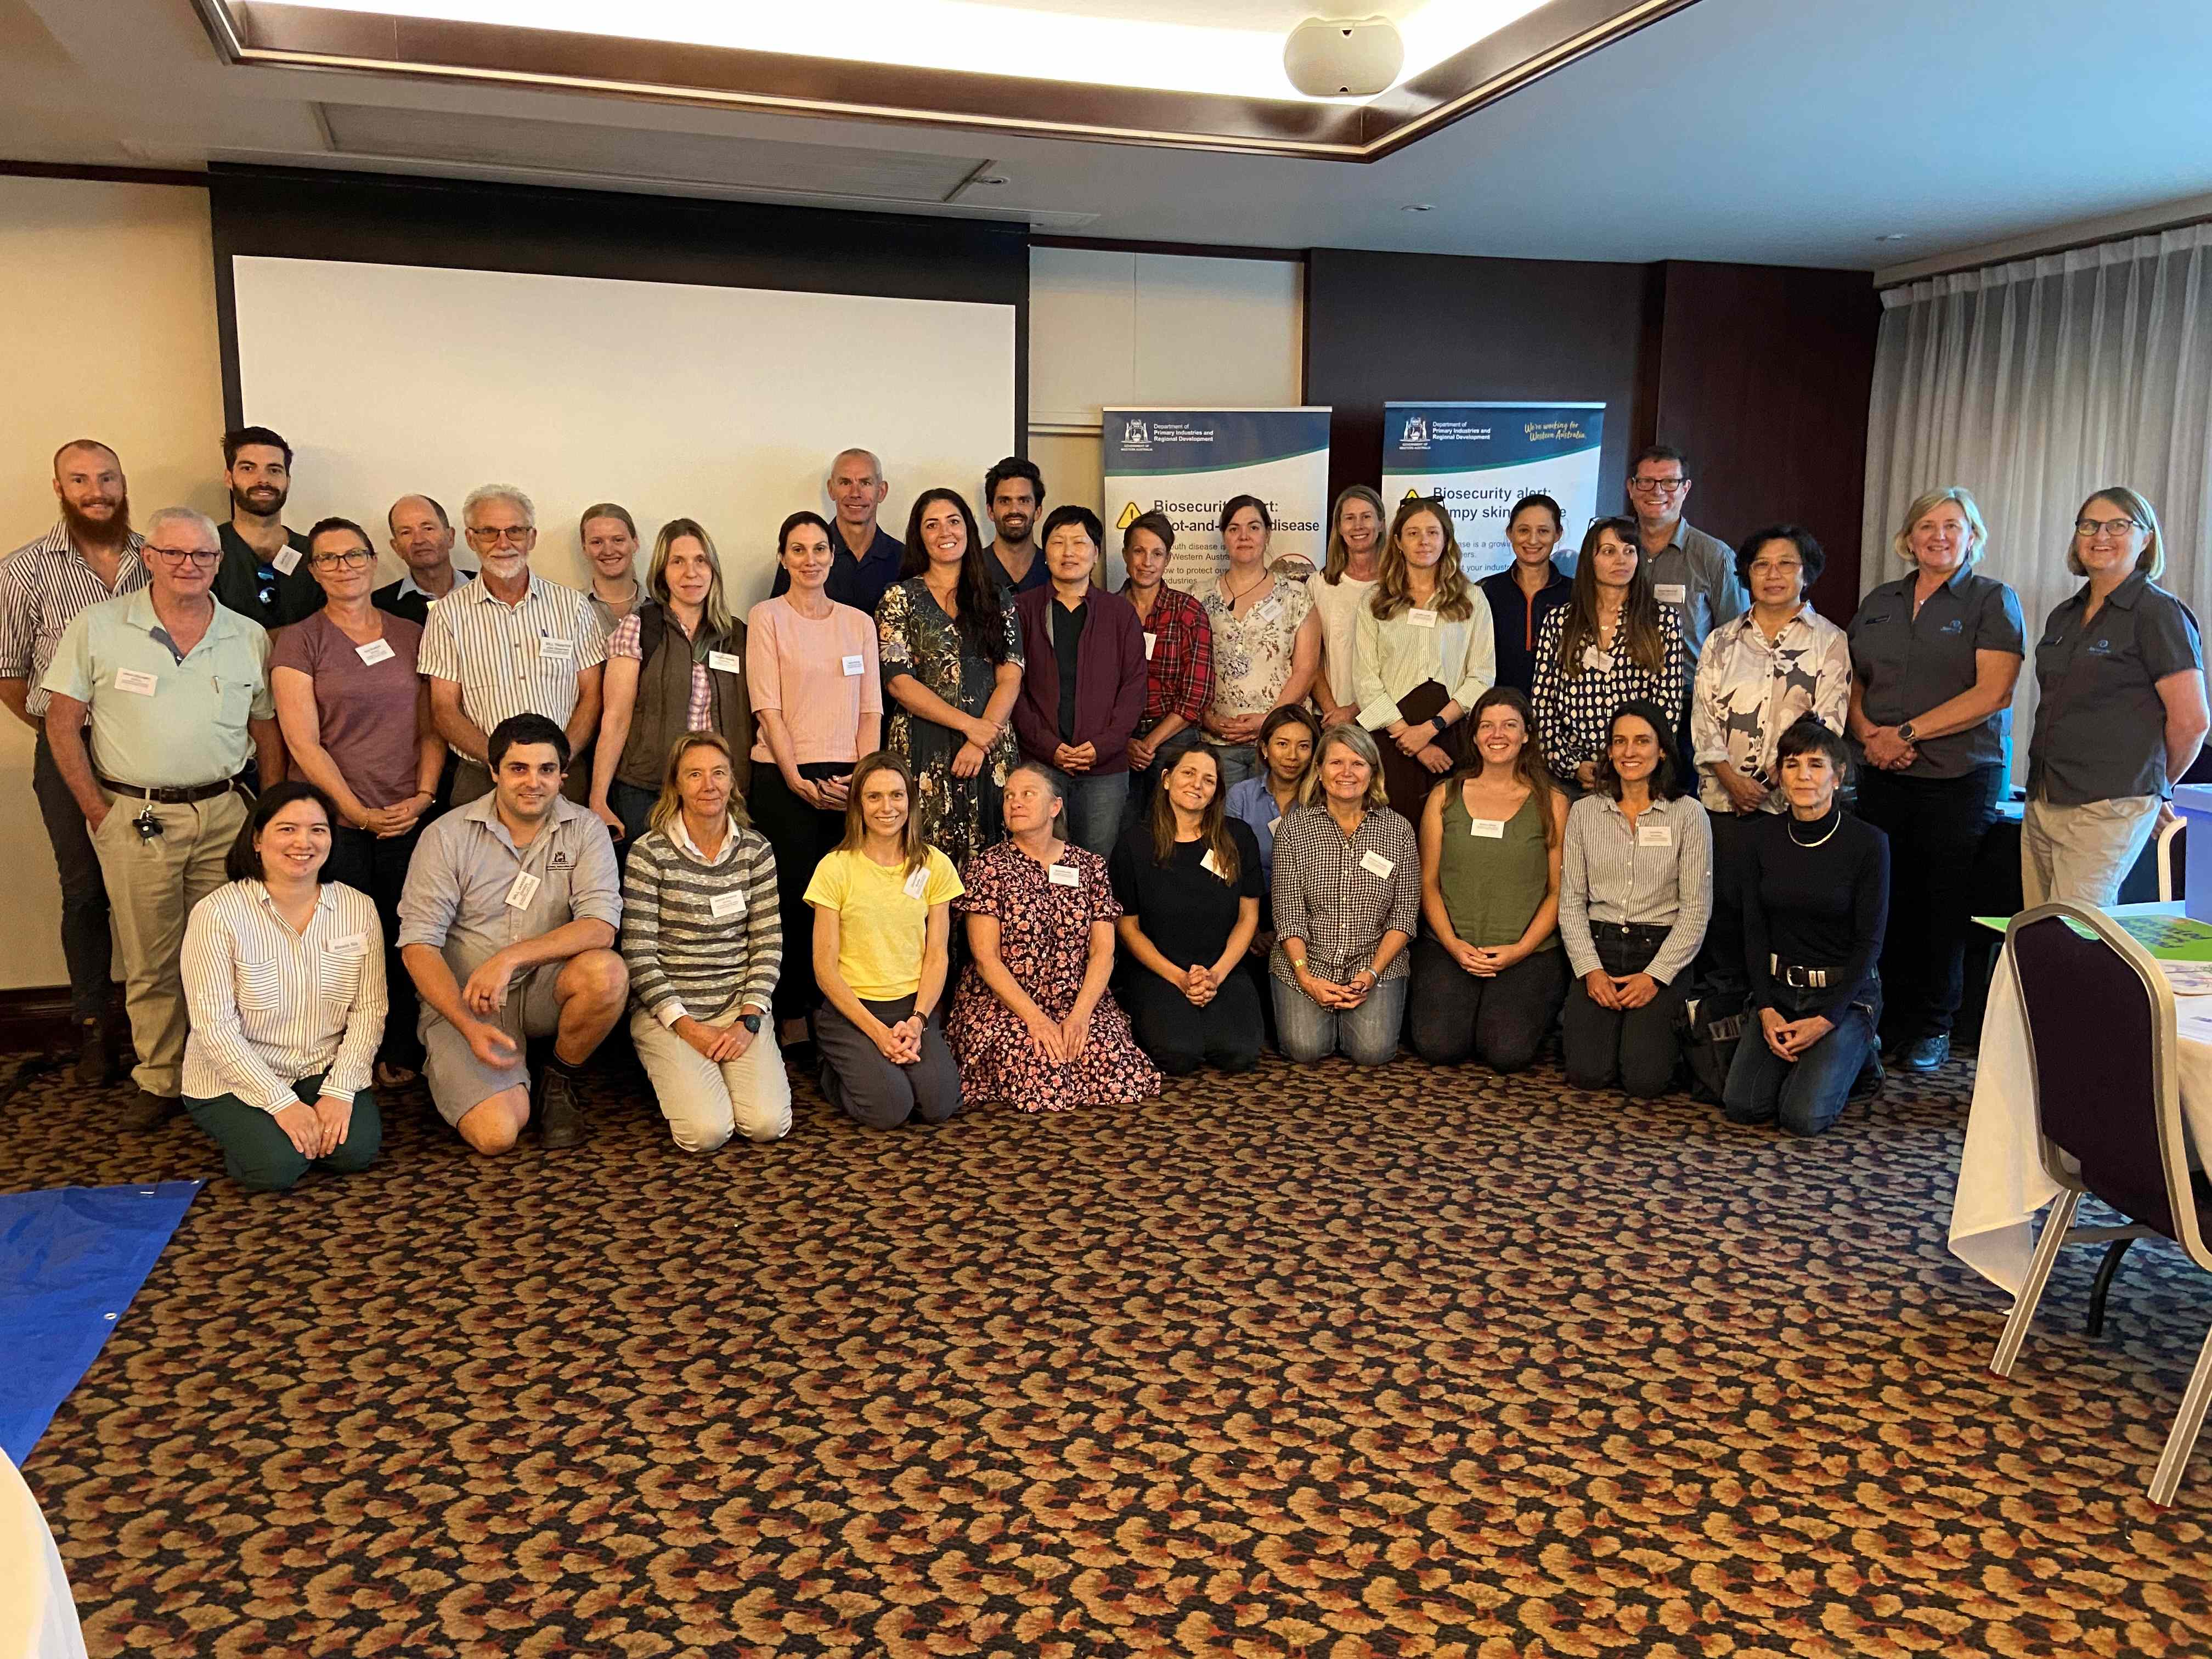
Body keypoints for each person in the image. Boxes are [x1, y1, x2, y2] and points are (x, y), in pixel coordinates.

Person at [41, 506, 285, 1128]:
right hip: (135, 815)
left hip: (227, 814)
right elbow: (62, 723)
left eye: (203, 555)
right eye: (174, 553)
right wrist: (98, 810)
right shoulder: (99, 626)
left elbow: (266, 727)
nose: (189, 566)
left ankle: (227, 1070)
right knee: (152, 958)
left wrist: (269, 813)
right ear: (148, 557)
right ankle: (160, 1076)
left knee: (229, 951)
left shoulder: (246, 634)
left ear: (218, 562)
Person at [1847, 486, 2024, 1072]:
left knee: (1941, 906)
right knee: (1885, 898)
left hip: (1957, 777)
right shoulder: (1880, 600)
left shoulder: (1992, 600)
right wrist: (1871, 733)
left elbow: (1993, 692)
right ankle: (1885, 1017)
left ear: (1972, 536)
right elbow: (1852, 679)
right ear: (1910, 536)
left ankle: (1933, 1026)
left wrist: (1907, 734)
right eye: (1927, 525)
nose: (1939, 536)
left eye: (1952, 525)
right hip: (1880, 771)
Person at [397, 714, 627, 1153]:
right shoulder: (445, 836)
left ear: (563, 777)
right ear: (494, 771)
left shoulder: (586, 829)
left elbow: (600, 926)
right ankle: (465, 1062)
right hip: (468, 1000)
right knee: (499, 1134)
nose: (532, 782)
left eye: (546, 770)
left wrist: (510, 959)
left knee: (607, 975)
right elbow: (418, 947)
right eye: (518, 769)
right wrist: (465, 1025)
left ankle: (558, 1080)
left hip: (543, 990)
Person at [270, 516, 443, 1087]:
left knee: (408, 933)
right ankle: (344, 1056)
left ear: (374, 561)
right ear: (314, 571)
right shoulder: (299, 639)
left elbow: (432, 725)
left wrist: (422, 796)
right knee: (344, 942)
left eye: (353, 556)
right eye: (328, 559)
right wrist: (356, 812)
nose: (343, 567)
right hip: (333, 823)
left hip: (408, 813)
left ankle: (400, 1046)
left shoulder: (410, 633)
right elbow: (303, 741)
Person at [0, 438, 149, 1082]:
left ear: (123, 482)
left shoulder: (163, 557)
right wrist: (66, 735)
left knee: (157, 890)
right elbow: (10, 679)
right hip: (72, 751)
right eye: (81, 480)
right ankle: (94, 1027)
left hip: (155, 751)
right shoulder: (22, 571)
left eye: (107, 478)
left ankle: (171, 1028)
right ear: (58, 487)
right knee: (86, 892)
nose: (97, 491)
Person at [179, 782, 383, 1190]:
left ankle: (297, 1134)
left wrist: (341, 1091)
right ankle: (259, 1138)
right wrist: (282, 1104)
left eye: (318, 830)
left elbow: (369, 1009)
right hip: (232, 1077)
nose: (303, 843)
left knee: (356, 1152)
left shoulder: (358, 907)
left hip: (319, 1067)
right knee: (275, 1168)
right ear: (257, 839)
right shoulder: (217, 914)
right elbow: (214, 1027)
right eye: (287, 829)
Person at [2023, 487, 2208, 907]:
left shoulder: (2158, 613)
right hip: (2045, 797)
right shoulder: (2065, 615)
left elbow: (2192, 721)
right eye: (2089, 525)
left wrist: (2154, 788)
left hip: (2110, 802)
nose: (2100, 535)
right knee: (2037, 932)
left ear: (2145, 539)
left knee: (2074, 933)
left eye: (2118, 525)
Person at [1690, 525, 1850, 994]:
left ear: (1806, 574)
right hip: (1724, 804)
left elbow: (1829, 724)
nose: (1773, 574)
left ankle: (1775, 1009)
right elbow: (1703, 717)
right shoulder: (1722, 641)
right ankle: (1724, 1026)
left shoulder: (1829, 640)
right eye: (1761, 564)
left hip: (1792, 807)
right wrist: (1732, 781)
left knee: (1781, 914)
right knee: (1724, 914)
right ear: (1747, 574)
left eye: (1786, 564)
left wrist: (1772, 782)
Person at [946, 764, 1160, 1109]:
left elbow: (1103, 953)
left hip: (1077, 997)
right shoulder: (988, 867)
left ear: (1054, 807)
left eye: (1028, 794)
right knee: (1045, 1080)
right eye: (1009, 796)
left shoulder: (1089, 866)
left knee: (1119, 1077)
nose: (1015, 802)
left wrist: (1080, 1015)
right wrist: (1036, 1020)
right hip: (1007, 1001)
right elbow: (986, 959)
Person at [747, 510, 884, 1046]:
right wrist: (796, 777)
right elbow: (767, 707)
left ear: (832, 556)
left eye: (819, 549)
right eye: (798, 550)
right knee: (790, 902)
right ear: (784, 557)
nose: (810, 560)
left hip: (850, 780)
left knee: (849, 903)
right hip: (783, 778)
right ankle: (792, 1014)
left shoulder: (858, 623)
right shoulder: (767, 617)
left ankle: (839, 1012)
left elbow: (871, 710)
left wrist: (862, 783)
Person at [619, 731, 788, 1152]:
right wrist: (688, 1028)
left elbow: (768, 943)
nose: (707, 785)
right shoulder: (648, 853)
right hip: (672, 1012)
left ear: (733, 782)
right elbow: (638, 953)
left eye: (718, 773)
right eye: (694, 775)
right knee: (707, 1134)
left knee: (767, 1124)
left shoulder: (756, 851)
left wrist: (749, 1019)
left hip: (738, 1006)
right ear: (676, 785)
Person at [1723, 718, 1889, 1138]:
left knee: (1801, 1117)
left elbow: (1870, 942)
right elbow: (1754, 931)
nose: (1803, 776)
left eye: (1816, 765)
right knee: (1743, 1105)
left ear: (1838, 776)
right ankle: (1824, 1059)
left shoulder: (1868, 843)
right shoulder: (1760, 839)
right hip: (1781, 991)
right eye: (1792, 764)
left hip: (1843, 996)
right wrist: (1765, 1008)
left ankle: (1862, 1053)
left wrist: (1827, 1018)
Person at [1409, 687, 1570, 1071]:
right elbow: (1427, 882)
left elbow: (1559, 891)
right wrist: (1452, 944)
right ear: (1475, 735)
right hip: (1451, 946)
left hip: (1527, 952)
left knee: (1506, 1052)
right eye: (1487, 726)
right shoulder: (1444, 796)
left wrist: (1519, 951)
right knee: (1439, 1047)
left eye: (1510, 726)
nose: (1498, 735)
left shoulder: (1554, 801)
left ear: (1527, 734)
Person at [418, 484, 607, 808]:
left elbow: (592, 695)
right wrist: (501, 763)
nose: (503, 543)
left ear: (531, 537)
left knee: (567, 860)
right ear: (471, 539)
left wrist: (558, 760)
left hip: (564, 776)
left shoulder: (572, 607)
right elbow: (444, 709)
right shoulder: (447, 615)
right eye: (489, 532)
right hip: (482, 777)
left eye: (515, 531)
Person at [1558, 701, 1711, 1099]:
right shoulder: (1585, 812)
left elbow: (1696, 909)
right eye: (1620, 742)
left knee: (1645, 1081)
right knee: (1586, 1074)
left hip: (1660, 950)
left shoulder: (1688, 814)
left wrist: (1656, 976)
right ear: (1608, 751)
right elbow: (1571, 902)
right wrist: (1590, 970)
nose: (1630, 752)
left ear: (1662, 750)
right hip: (1600, 946)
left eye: (1642, 741)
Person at [804, 752, 964, 1129]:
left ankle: (885, 1064)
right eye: (874, 797)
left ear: (910, 801)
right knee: (891, 1109)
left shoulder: (934, 864)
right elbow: (824, 967)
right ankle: (834, 1064)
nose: (886, 807)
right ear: (858, 803)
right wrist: (876, 1033)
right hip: (852, 1010)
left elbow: (937, 956)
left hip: (912, 1008)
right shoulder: (835, 867)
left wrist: (918, 1021)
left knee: (939, 1104)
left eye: (896, 795)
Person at [877, 488, 1021, 870]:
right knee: (922, 863)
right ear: (919, 535)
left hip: (990, 748)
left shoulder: (997, 596)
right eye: (932, 524)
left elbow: (1010, 675)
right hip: (924, 746)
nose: (945, 531)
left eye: (954, 521)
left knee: (993, 865)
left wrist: (982, 738)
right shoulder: (899, 598)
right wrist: (970, 727)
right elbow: (898, 683)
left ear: (969, 529)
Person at [590, 517, 753, 850]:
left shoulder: (739, 636)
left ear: (713, 569)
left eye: (700, 561)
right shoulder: (639, 628)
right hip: (648, 791)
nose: (690, 573)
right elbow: (616, 718)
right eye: (677, 562)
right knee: (648, 893)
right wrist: (598, 798)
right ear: (663, 572)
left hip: (718, 794)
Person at [1109, 746, 1264, 1076]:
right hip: (1158, 969)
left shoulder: (1238, 837)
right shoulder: (1134, 843)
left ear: (1216, 791)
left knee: (1239, 1054)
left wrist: (1216, 975)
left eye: (1209, 780)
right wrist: (1180, 979)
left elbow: (1248, 916)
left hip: (1223, 966)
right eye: (1189, 773)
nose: (1198, 784)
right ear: (1166, 779)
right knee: (1178, 1055)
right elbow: (1128, 928)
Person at [1268, 724, 1418, 1065]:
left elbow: (1405, 916)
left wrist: (1372, 974)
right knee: (1305, 1049)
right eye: (1336, 763)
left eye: (1358, 763)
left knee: (1373, 1052)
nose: (1347, 773)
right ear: (1319, 771)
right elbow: (1288, 914)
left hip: (1374, 963)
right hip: (1306, 961)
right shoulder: (1295, 827)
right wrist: (1306, 978)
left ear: (1373, 772)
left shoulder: (1399, 830)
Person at [1012, 505, 1148, 854]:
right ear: (1046, 553)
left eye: (1079, 542)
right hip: (1041, 764)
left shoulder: (1120, 614)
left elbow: (1133, 689)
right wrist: (1049, 747)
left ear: (1097, 553)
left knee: (1096, 865)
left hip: (1105, 769)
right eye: (1058, 542)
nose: (1069, 552)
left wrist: (1102, 747)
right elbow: (1014, 689)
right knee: (1037, 861)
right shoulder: (1021, 609)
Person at [1355, 496, 1497, 822]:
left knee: (1448, 836)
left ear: (1446, 540)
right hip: (1391, 740)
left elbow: (1482, 676)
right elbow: (1365, 680)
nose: (1423, 541)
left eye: (1433, 532)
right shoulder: (1374, 600)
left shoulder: (1472, 598)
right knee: (1390, 839)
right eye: (1413, 533)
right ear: (1398, 542)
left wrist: (1432, 729)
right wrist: (1412, 739)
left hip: (1452, 737)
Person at [1532, 516, 1686, 792]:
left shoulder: (1662, 620)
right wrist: (1569, 764)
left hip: (1638, 774)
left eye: (1629, 551)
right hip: (1573, 774)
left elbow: (1668, 705)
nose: (1621, 560)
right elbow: (1543, 703)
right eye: (1609, 551)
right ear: (1590, 560)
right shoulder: (1560, 621)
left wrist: (1631, 761)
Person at [1201, 495, 1321, 789]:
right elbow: (1190, 670)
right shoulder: (1198, 597)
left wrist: (1269, 722)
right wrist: (1207, 719)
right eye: (1234, 529)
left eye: (1254, 527)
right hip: (1218, 742)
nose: (1244, 536)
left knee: (1282, 828)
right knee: (1226, 829)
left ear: (1268, 534)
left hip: (1281, 744)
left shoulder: (1296, 595)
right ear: (1224, 536)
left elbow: (1306, 669)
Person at [1624, 445, 1744, 695]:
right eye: (1646, 482)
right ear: (1631, 488)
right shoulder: (1613, 548)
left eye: (1669, 482)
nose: (1657, 491)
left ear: (1685, 488)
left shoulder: (1715, 556)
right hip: (1617, 696)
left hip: (1690, 701)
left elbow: (1738, 642)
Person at [1117, 511, 1214, 820]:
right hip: (1119, 740)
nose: (1147, 562)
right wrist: (1127, 741)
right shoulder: (1107, 610)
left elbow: (1196, 695)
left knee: (1173, 831)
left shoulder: (1188, 611)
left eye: (1157, 553)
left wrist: (1148, 743)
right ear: (1125, 555)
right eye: (1139, 551)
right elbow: (1096, 688)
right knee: (1124, 832)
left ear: (1168, 559)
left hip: (1174, 739)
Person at [771, 448, 905, 615]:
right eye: (845, 482)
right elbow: (779, 617)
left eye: (866, 483)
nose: (855, 493)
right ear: (831, 489)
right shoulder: (802, 556)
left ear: (882, 491)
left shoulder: (904, 559)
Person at [212, 426, 319, 631]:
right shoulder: (205, 552)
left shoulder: (314, 553)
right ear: (229, 478)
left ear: (288, 481)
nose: (263, 480)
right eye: (248, 468)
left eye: (274, 470)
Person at [1480, 493, 1574, 699]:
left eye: (1543, 531)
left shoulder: (1577, 595)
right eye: (1524, 530)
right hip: (1499, 716)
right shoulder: (1484, 592)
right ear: (1510, 533)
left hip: (1560, 717)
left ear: (1558, 534)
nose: (1533, 540)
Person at [1307, 486, 1384, 728]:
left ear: (1381, 524)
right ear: (1339, 528)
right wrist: (1334, 711)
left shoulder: (1399, 585)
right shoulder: (1320, 584)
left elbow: (1402, 662)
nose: (1358, 526)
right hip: (1329, 718)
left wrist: (1355, 710)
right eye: (1349, 518)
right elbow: (1312, 658)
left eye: (1366, 517)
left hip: (1385, 717)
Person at [373, 494, 471, 627]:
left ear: (450, 537)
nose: (419, 540)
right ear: (396, 548)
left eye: (428, 528)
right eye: (406, 532)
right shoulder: (379, 606)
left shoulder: (489, 588)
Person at [982, 456, 1049, 597]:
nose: (1014, 510)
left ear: (1038, 511)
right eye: (1004, 501)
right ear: (991, 511)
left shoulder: (1054, 569)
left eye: (1024, 501)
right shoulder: (971, 569)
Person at [578, 501, 644, 634]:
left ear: (635, 543)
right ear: (585, 549)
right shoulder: (570, 608)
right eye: (597, 542)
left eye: (618, 540)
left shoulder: (662, 608)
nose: (608, 551)